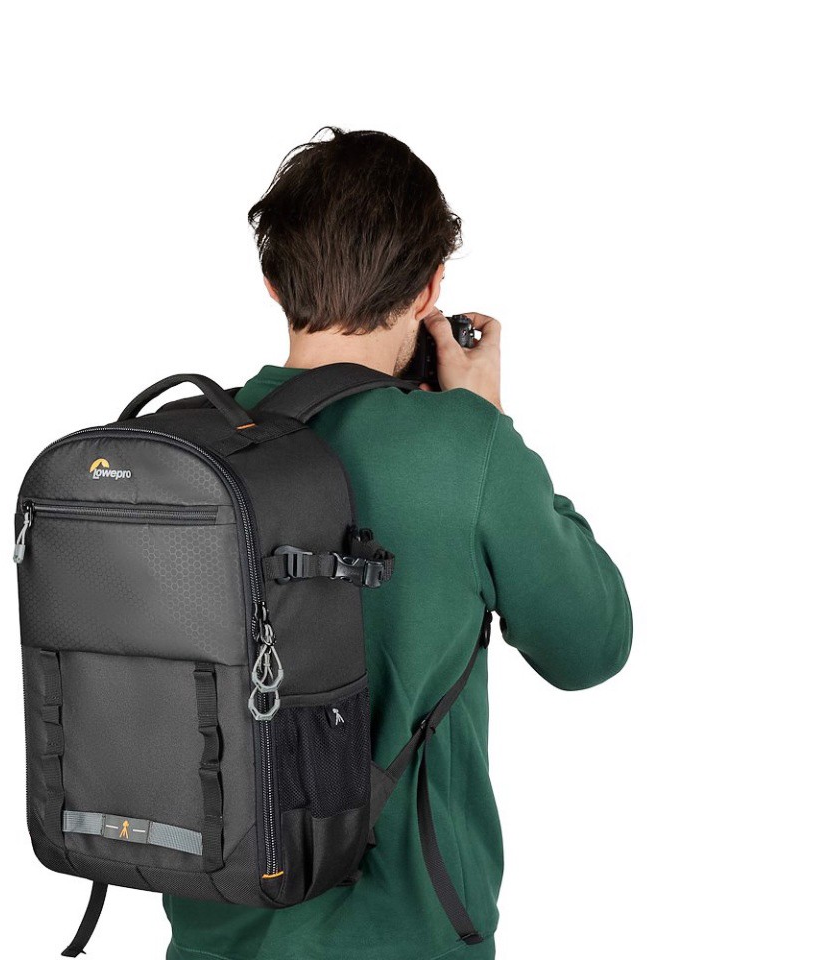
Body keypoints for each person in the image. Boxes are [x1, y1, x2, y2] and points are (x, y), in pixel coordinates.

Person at [165, 127, 632, 960]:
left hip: (211, 937)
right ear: (430, 288)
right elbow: (591, 647)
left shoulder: (182, 450)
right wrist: (484, 422)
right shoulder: (466, 447)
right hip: (407, 938)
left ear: (272, 283)